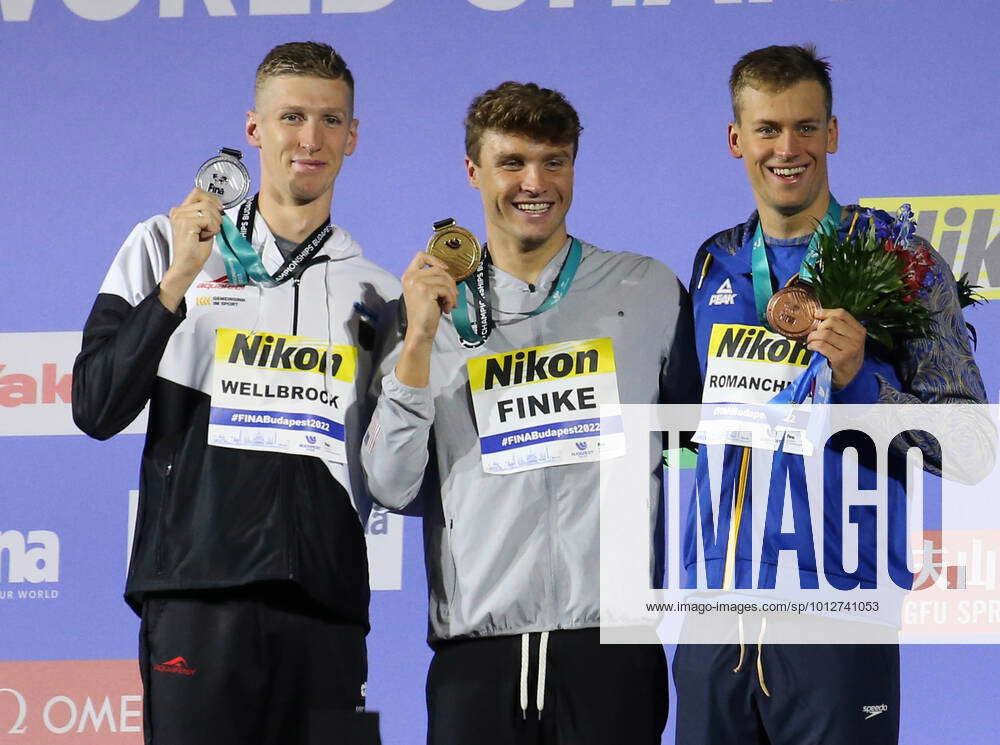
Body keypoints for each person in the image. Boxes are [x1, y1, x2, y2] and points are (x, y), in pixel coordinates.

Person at [72, 41, 398, 745]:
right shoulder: (166, 244)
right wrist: (175, 287)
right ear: (254, 129)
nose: (310, 139)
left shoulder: (378, 291)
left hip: (327, 606)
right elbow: (95, 406)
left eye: (330, 120)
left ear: (353, 136)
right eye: (291, 117)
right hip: (196, 592)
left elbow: (396, 461)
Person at [361, 81, 700, 745]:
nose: (534, 183)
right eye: (512, 162)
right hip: (475, 659)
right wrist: (421, 340)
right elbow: (391, 484)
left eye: (554, 161)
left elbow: (690, 443)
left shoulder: (648, 288)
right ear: (473, 171)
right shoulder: (425, 310)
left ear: (575, 164)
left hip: (613, 652)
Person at [674, 44, 988, 745]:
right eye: (768, 129)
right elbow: (685, 438)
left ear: (833, 134)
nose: (788, 148)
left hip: (838, 609)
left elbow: (971, 447)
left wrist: (863, 386)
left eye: (806, 127)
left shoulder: (901, 259)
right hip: (714, 613)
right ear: (737, 140)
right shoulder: (710, 262)